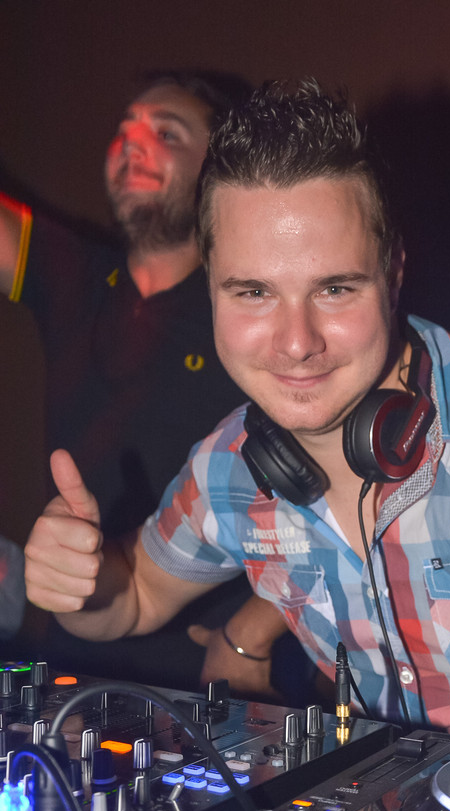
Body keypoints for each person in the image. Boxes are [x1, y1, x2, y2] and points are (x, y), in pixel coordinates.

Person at [23, 81, 450, 758]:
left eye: (335, 288)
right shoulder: (228, 469)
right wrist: (82, 585)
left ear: (393, 275)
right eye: (253, 292)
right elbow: (134, 597)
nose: (296, 342)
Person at [0, 71, 299, 698]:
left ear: (218, 166)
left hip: (213, 671)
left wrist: (253, 631)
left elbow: (336, 498)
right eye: (125, 130)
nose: (133, 143)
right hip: (77, 647)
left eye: (166, 133)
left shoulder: (252, 307)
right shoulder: (77, 274)